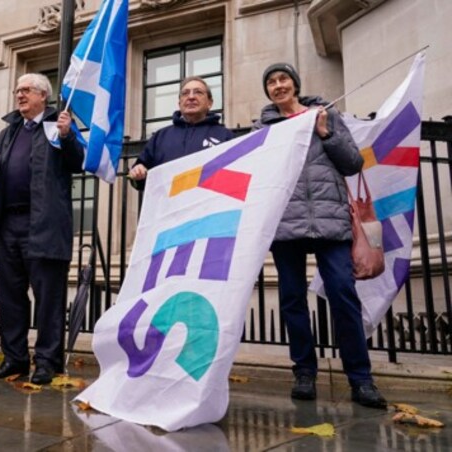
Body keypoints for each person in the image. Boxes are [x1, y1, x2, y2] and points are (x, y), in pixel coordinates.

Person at [254, 63, 387, 409]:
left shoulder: (325, 114)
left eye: (283, 79)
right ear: (268, 91)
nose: (278, 85)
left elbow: (353, 164)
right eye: (271, 82)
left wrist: (326, 132)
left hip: (331, 224)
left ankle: (361, 379)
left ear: (295, 84)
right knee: (292, 299)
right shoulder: (264, 127)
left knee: (343, 294)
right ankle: (304, 373)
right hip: (286, 228)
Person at [0, 73, 84, 385]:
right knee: (10, 296)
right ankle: (14, 358)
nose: (19, 95)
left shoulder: (58, 125)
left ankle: (47, 362)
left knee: (48, 297)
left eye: (27, 90)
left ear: (43, 96)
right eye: (17, 90)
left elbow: (77, 163)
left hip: (44, 224)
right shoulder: (9, 132)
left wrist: (67, 136)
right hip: (8, 223)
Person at [128, 76, 234, 188]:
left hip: (209, 204)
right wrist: (138, 173)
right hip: (168, 204)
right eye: (185, 93)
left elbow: (236, 180)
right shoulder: (160, 137)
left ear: (209, 103)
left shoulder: (225, 137)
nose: (191, 97)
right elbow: (140, 178)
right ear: (179, 103)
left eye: (198, 92)